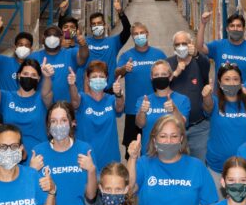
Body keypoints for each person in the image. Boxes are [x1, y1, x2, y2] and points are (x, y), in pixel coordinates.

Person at [116, 23, 166, 155]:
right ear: (132, 37)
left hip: (156, 108)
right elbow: (116, 73)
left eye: (142, 33)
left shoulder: (158, 54)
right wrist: (124, 69)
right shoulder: (127, 56)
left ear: (147, 33)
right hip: (133, 110)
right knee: (132, 150)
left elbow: (168, 76)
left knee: (156, 148)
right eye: (136, 34)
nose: (139, 36)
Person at [0, 57, 54, 150]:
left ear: (38, 79)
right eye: (25, 74)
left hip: (38, 156)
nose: (29, 77)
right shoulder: (6, 97)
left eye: (33, 75)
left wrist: (47, 76)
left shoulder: (42, 99)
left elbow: (47, 93)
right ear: (18, 75)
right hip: (10, 155)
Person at [202, 63, 246, 185]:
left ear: (241, 82)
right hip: (217, 168)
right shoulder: (214, 101)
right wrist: (206, 96)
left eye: (236, 79)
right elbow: (207, 107)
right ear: (219, 83)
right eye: (227, 79)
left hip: (245, 168)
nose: (231, 83)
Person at [168, 30, 212, 162]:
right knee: (174, 165)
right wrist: (175, 73)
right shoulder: (168, 64)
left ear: (190, 44)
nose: (181, 47)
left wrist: (197, 53)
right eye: (178, 44)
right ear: (174, 47)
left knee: (198, 166)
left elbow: (206, 63)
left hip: (198, 129)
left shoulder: (200, 63)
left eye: (184, 43)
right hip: (173, 128)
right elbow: (159, 84)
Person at [73, 60, 125, 169]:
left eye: (101, 76)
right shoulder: (81, 99)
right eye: (94, 76)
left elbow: (120, 107)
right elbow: (74, 101)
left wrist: (119, 94)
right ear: (87, 80)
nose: (98, 79)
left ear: (106, 79)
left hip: (110, 160)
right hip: (86, 160)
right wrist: (72, 84)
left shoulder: (111, 99)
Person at [32, 24, 88, 103]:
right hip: (41, 106)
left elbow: (83, 57)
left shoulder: (70, 53)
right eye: (48, 35)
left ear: (61, 38)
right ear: (43, 38)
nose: (52, 38)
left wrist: (83, 45)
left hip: (66, 106)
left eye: (55, 35)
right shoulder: (33, 57)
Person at [195, 11, 246, 78]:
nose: (235, 29)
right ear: (227, 29)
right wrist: (203, 23)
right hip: (221, 88)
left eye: (238, 26)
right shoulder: (218, 45)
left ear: (244, 29)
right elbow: (200, 48)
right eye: (232, 26)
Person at [135, 60, 190, 138]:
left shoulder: (183, 100)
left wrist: (174, 110)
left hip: (174, 149)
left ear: (170, 77)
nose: (160, 77)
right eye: (156, 75)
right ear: (151, 78)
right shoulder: (143, 100)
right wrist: (142, 111)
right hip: (149, 149)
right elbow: (140, 125)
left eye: (163, 74)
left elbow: (182, 125)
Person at [0, 17, 34, 93]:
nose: (23, 47)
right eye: (20, 45)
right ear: (15, 47)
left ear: (31, 50)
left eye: (26, 45)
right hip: (4, 103)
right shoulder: (4, 61)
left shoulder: (34, 67)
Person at [86, 1, 132, 85]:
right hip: (90, 90)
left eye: (99, 23)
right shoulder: (84, 43)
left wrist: (120, 12)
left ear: (104, 25)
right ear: (90, 27)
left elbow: (127, 30)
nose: (97, 26)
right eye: (94, 24)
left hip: (109, 90)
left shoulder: (113, 42)